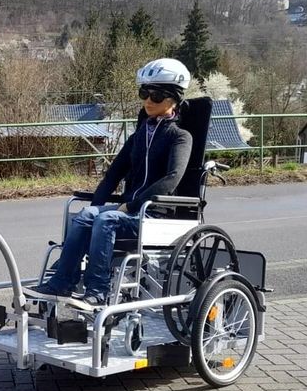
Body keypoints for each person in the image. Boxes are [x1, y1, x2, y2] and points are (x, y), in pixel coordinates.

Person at [31, 58, 194, 311]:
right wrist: (95, 207)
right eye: (144, 93)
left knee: (106, 220)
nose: (149, 100)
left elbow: (172, 177)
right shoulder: (140, 135)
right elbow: (113, 173)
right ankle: (62, 282)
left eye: (157, 95)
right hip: (129, 211)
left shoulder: (180, 137)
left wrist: (131, 205)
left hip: (155, 214)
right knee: (87, 215)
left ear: (174, 99)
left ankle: (98, 292)